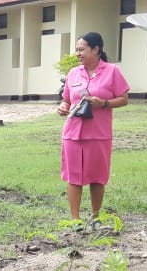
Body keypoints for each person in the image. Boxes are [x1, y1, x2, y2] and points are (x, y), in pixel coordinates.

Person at [56, 32, 130, 221]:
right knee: (74, 177)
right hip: (73, 133)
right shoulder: (73, 73)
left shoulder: (112, 71)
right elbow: (66, 99)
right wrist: (63, 107)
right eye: (77, 50)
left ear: (96, 49)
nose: (78, 53)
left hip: (98, 134)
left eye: (82, 49)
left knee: (97, 177)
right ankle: (75, 219)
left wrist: (103, 103)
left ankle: (95, 217)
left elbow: (123, 99)